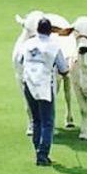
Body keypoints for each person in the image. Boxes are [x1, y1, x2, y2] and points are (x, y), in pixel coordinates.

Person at [19, 17, 69, 166]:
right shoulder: (54, 46)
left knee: (36, 120)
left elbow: (22, 60)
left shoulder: (27, 43)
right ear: (50, 31)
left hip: (28, 83)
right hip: (44, 85)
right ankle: (42, 155)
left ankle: (37, 151)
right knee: (47, 122)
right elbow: (63, 69)